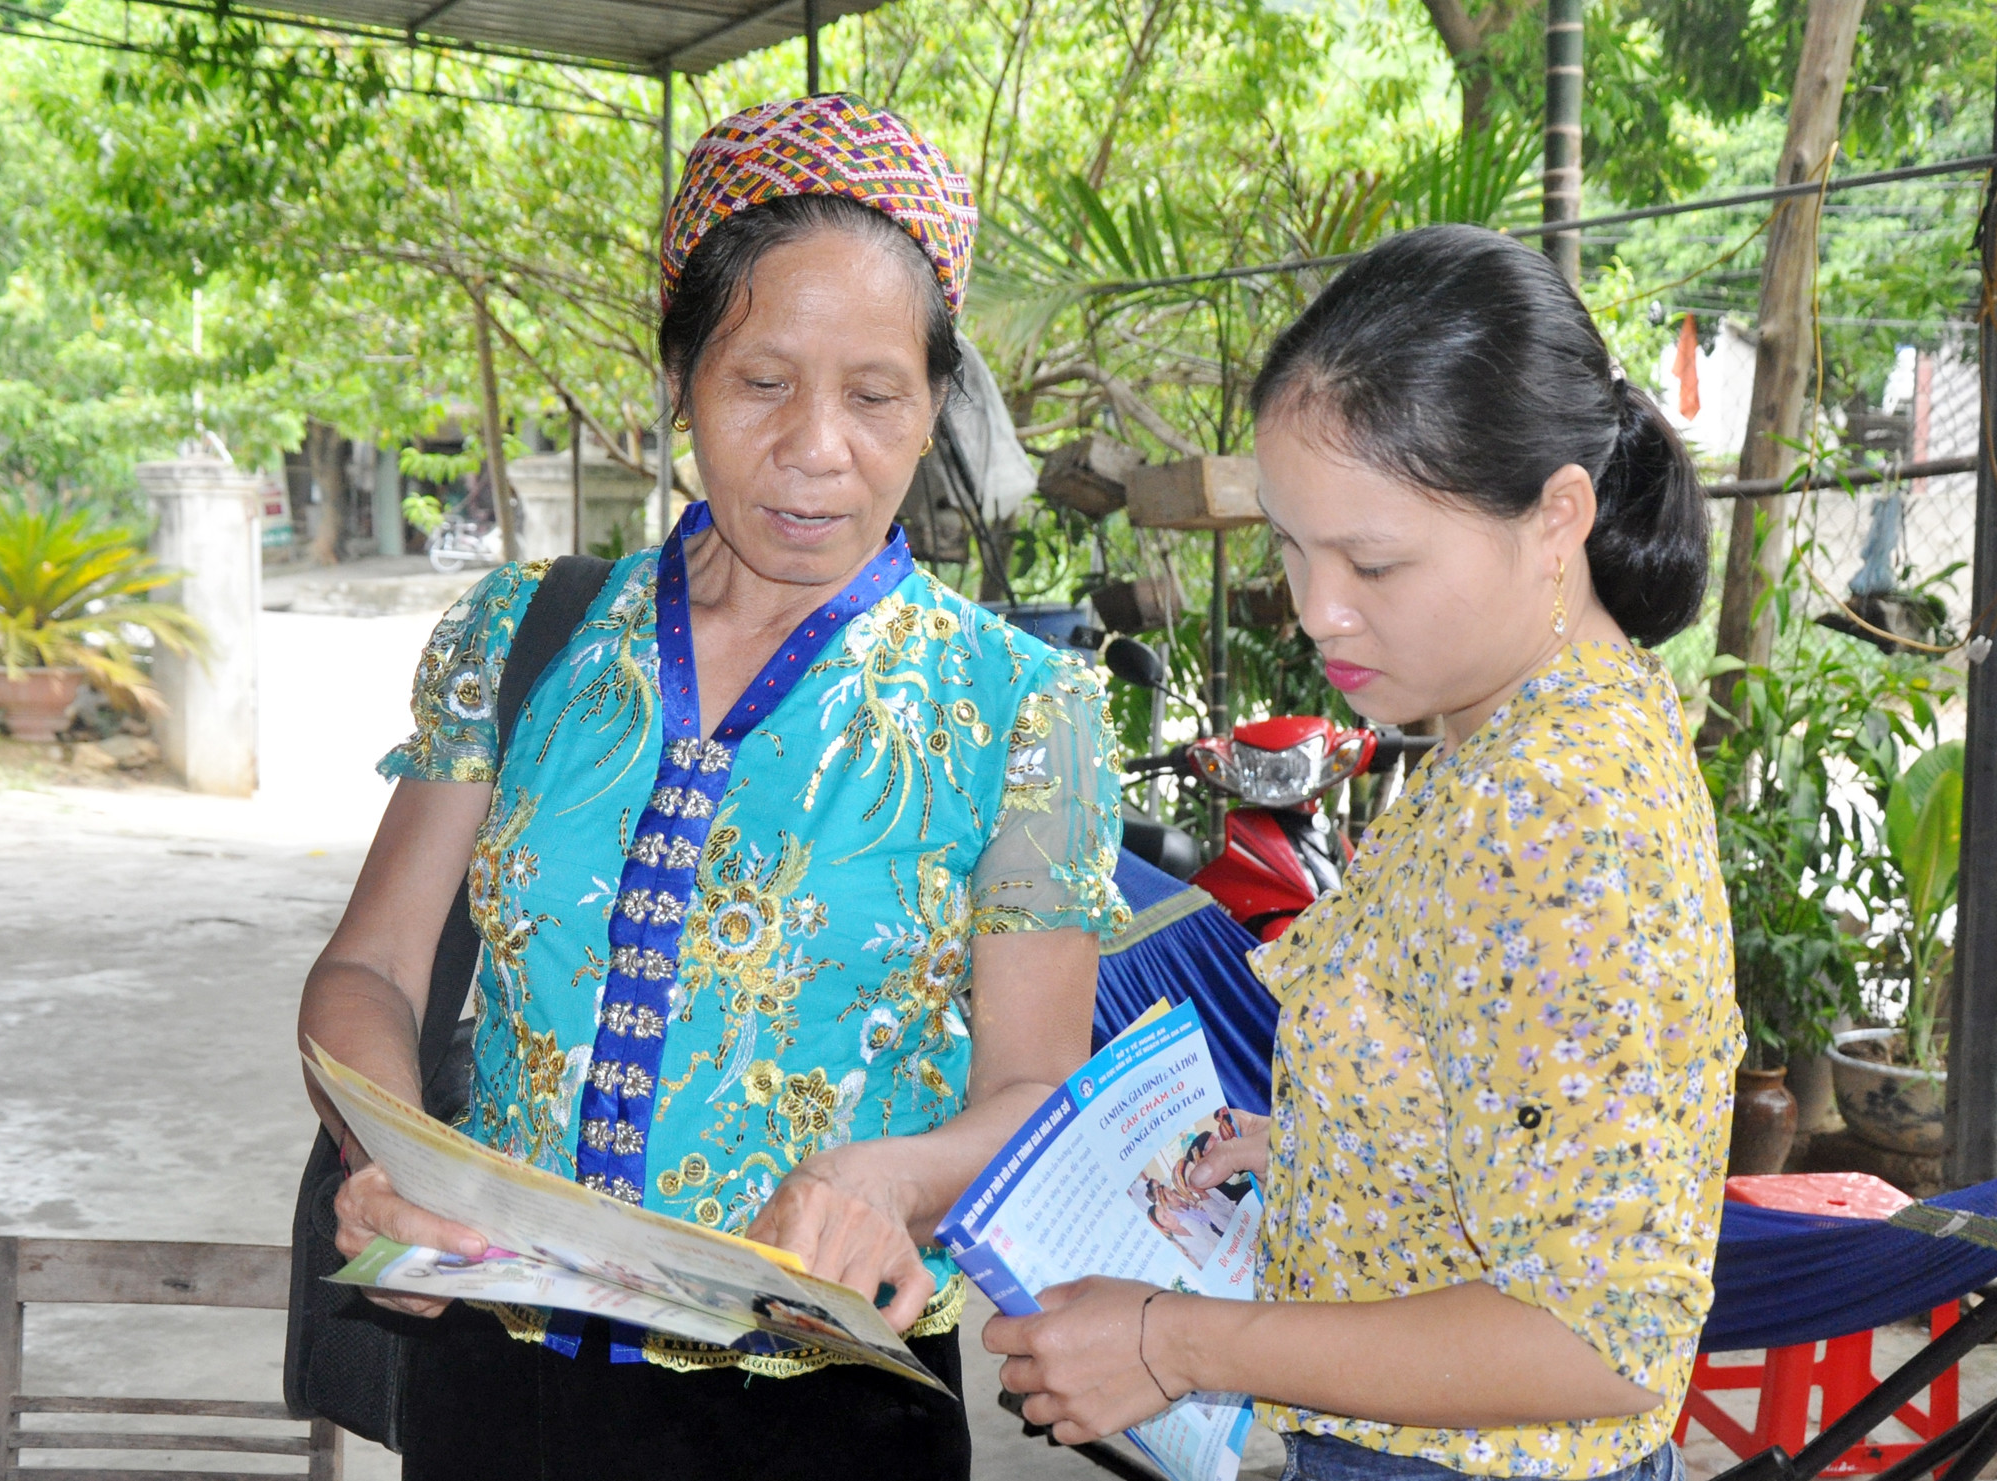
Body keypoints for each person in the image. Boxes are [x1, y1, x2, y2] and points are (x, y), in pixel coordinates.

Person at [297, 93, 1127, 1481]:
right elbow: (367, 971)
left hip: (823, 1415)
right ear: (679, 376)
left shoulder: (1017, 708)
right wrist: (402, 1164)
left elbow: (1036, 1088)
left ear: (933, 409)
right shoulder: (521, 641)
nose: (818, 445)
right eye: (761, 383)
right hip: (497, 1398)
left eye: (876, 395)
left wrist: (893, 1179)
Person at [985, 224, 1741, 1481]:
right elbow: (1524, 1093)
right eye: (1291, 542)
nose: (1315, 607)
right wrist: (1336, 1139)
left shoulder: (1559, 812)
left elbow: (1596, 1340)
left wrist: (1177, 1341)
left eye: (1372, 559)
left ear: (1557, 516)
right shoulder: (1517, 730)